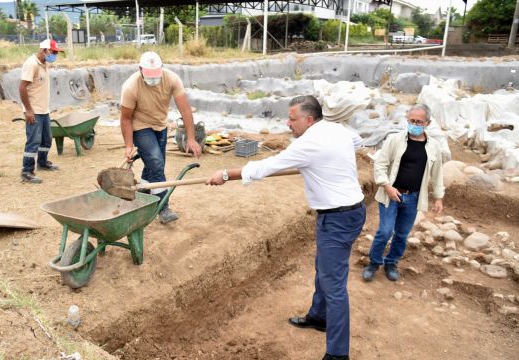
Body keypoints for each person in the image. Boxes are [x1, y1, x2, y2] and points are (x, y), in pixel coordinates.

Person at [206, 95, 365, 360]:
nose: (288, 123)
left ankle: (338, 355)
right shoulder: (337, 129)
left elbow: (265, 166)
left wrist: (225, 175)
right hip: (347, 212)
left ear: (309, 119)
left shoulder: (309, 143)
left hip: (337, 218)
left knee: (334, 286)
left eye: (292, 119)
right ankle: (319, 316)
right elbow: (357, 141)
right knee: (324, 269)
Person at [363, 104, 444, 282]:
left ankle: (391, 263)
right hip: (391, 194)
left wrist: (439, 197)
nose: (414, 124)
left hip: (414, 197)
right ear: (407, 120)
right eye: (411, 121)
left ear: (427, 123)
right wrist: (387, 186)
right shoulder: (394, 140)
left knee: (401, 234)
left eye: (418, 121)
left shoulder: (434, 147)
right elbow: (380, 164)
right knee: (385, 231)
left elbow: (437, 173)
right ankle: (374, 263)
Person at [120, 51, 202, 224]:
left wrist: (191, 137)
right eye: (148, 75)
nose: (153, 79)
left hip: (161, 125)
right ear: (140, 69)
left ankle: (142, 192)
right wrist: (128, 145)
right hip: (140, 127)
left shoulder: (172, 79)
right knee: (156, 162)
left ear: (162, 68)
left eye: (155, 74)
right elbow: (126, 118)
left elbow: (185, 109)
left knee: (155, 164)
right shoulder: (130, 87)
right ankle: (163, 207)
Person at [19, 39, 63, 184]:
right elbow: (22, 87)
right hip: (34, 111)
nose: (55, 55)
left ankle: (42, 163)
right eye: (54, 52)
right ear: (45, 50)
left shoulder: (43, 64)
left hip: (44, 110)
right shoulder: (31, 64)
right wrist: (28, 110)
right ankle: (27, 171)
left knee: (46, 139)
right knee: (33, 142)